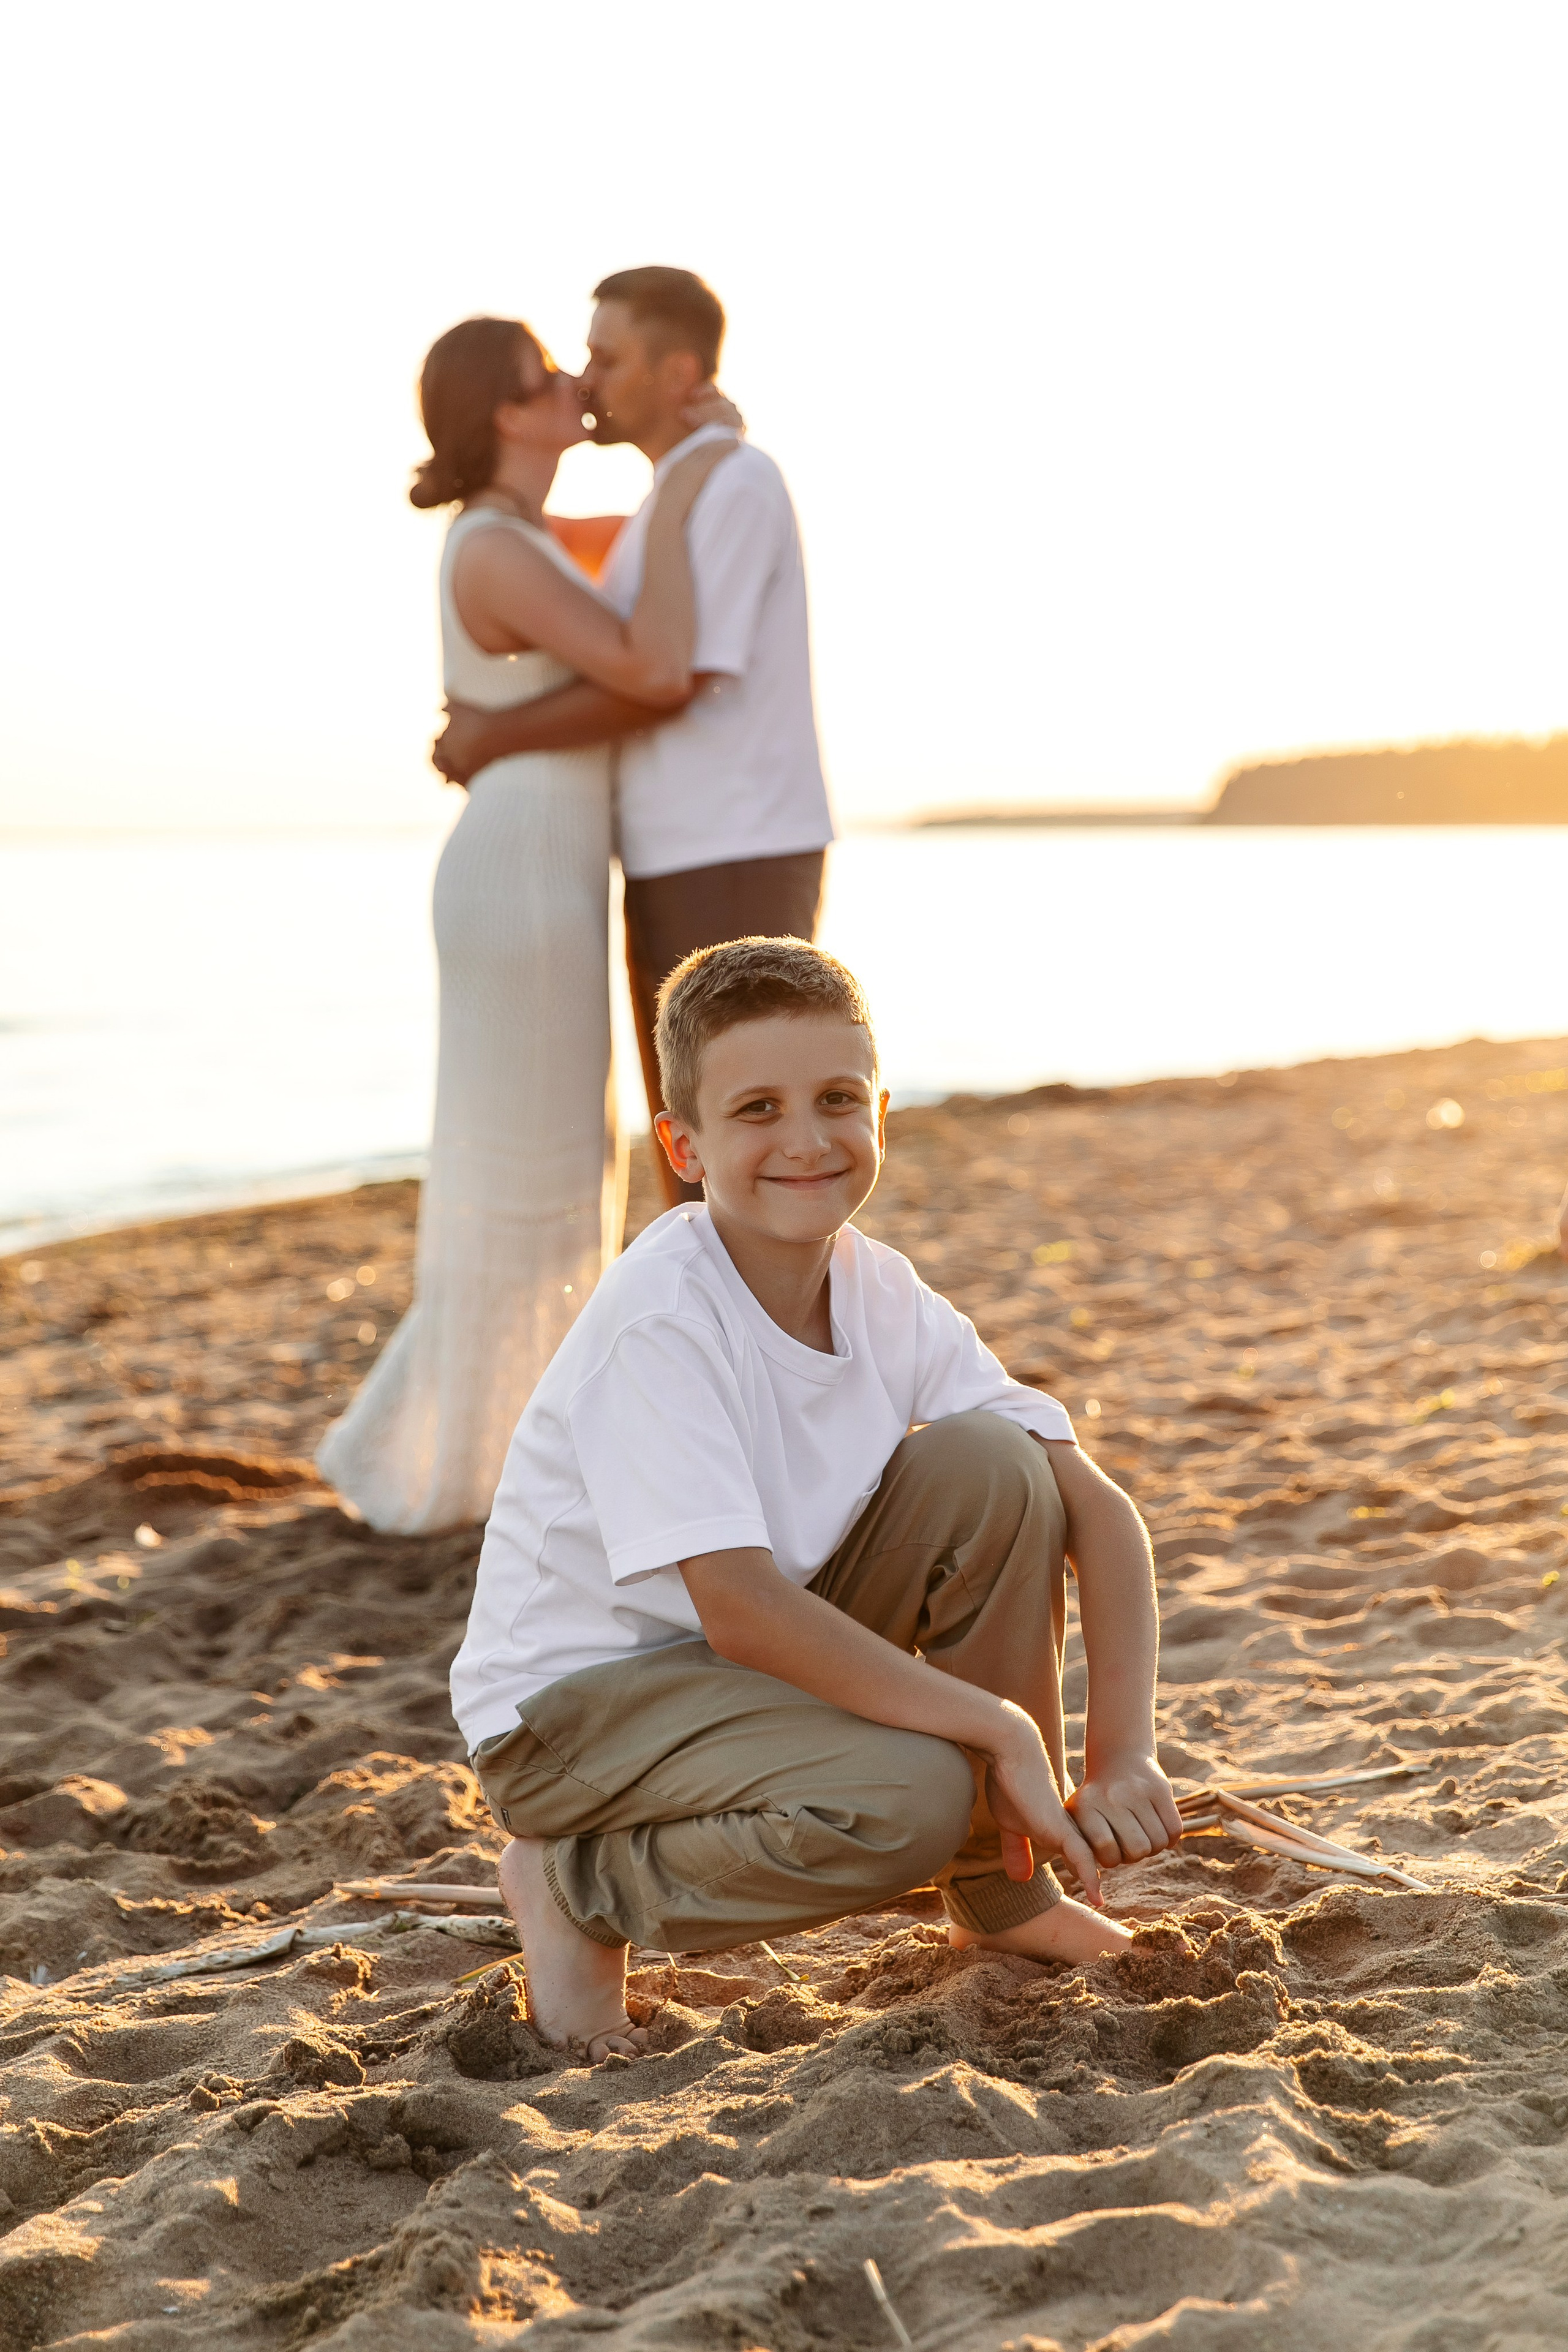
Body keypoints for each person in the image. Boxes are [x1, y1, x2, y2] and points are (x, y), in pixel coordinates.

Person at [451, 939, 1181, 2059]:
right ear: (684, 1146)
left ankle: (1003, 1896)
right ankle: (575, 1883)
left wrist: (1122, 1753)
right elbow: (739, 1607)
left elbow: (1094, 1508)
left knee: (996, 1463)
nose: (805, 1139)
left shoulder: (876, 1284)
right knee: (917, 1797)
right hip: (573, 1713)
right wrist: (999, 1728)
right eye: (757, 1109)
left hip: (738, 1665)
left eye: (837, 1099)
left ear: (881, 1113)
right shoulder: (663, 1318)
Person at [315, 317, 736, 1533]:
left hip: (545, 875)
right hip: (521, 881)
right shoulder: (497, 549)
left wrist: (676, 477)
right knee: (532, 1171)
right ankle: (480, 1463)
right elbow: (653, 668)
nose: (572, 385)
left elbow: (633, 575)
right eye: (548, 375)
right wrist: (688, 464)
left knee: (555, 1163)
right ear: (506, 414)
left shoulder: (525, 541)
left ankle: (495, 1443)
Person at [432, 268, 835, 1210]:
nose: (584, 378)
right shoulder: (673, 496)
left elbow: (673, 680)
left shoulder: (730, 482)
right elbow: (529, 539)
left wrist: (498, 732)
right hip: (671, 851)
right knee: (698, 1153)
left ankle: (760, 1353)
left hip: (734, 844)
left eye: (605, 358)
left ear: (675, 369)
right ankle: (712, 1351)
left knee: (741, 1149)